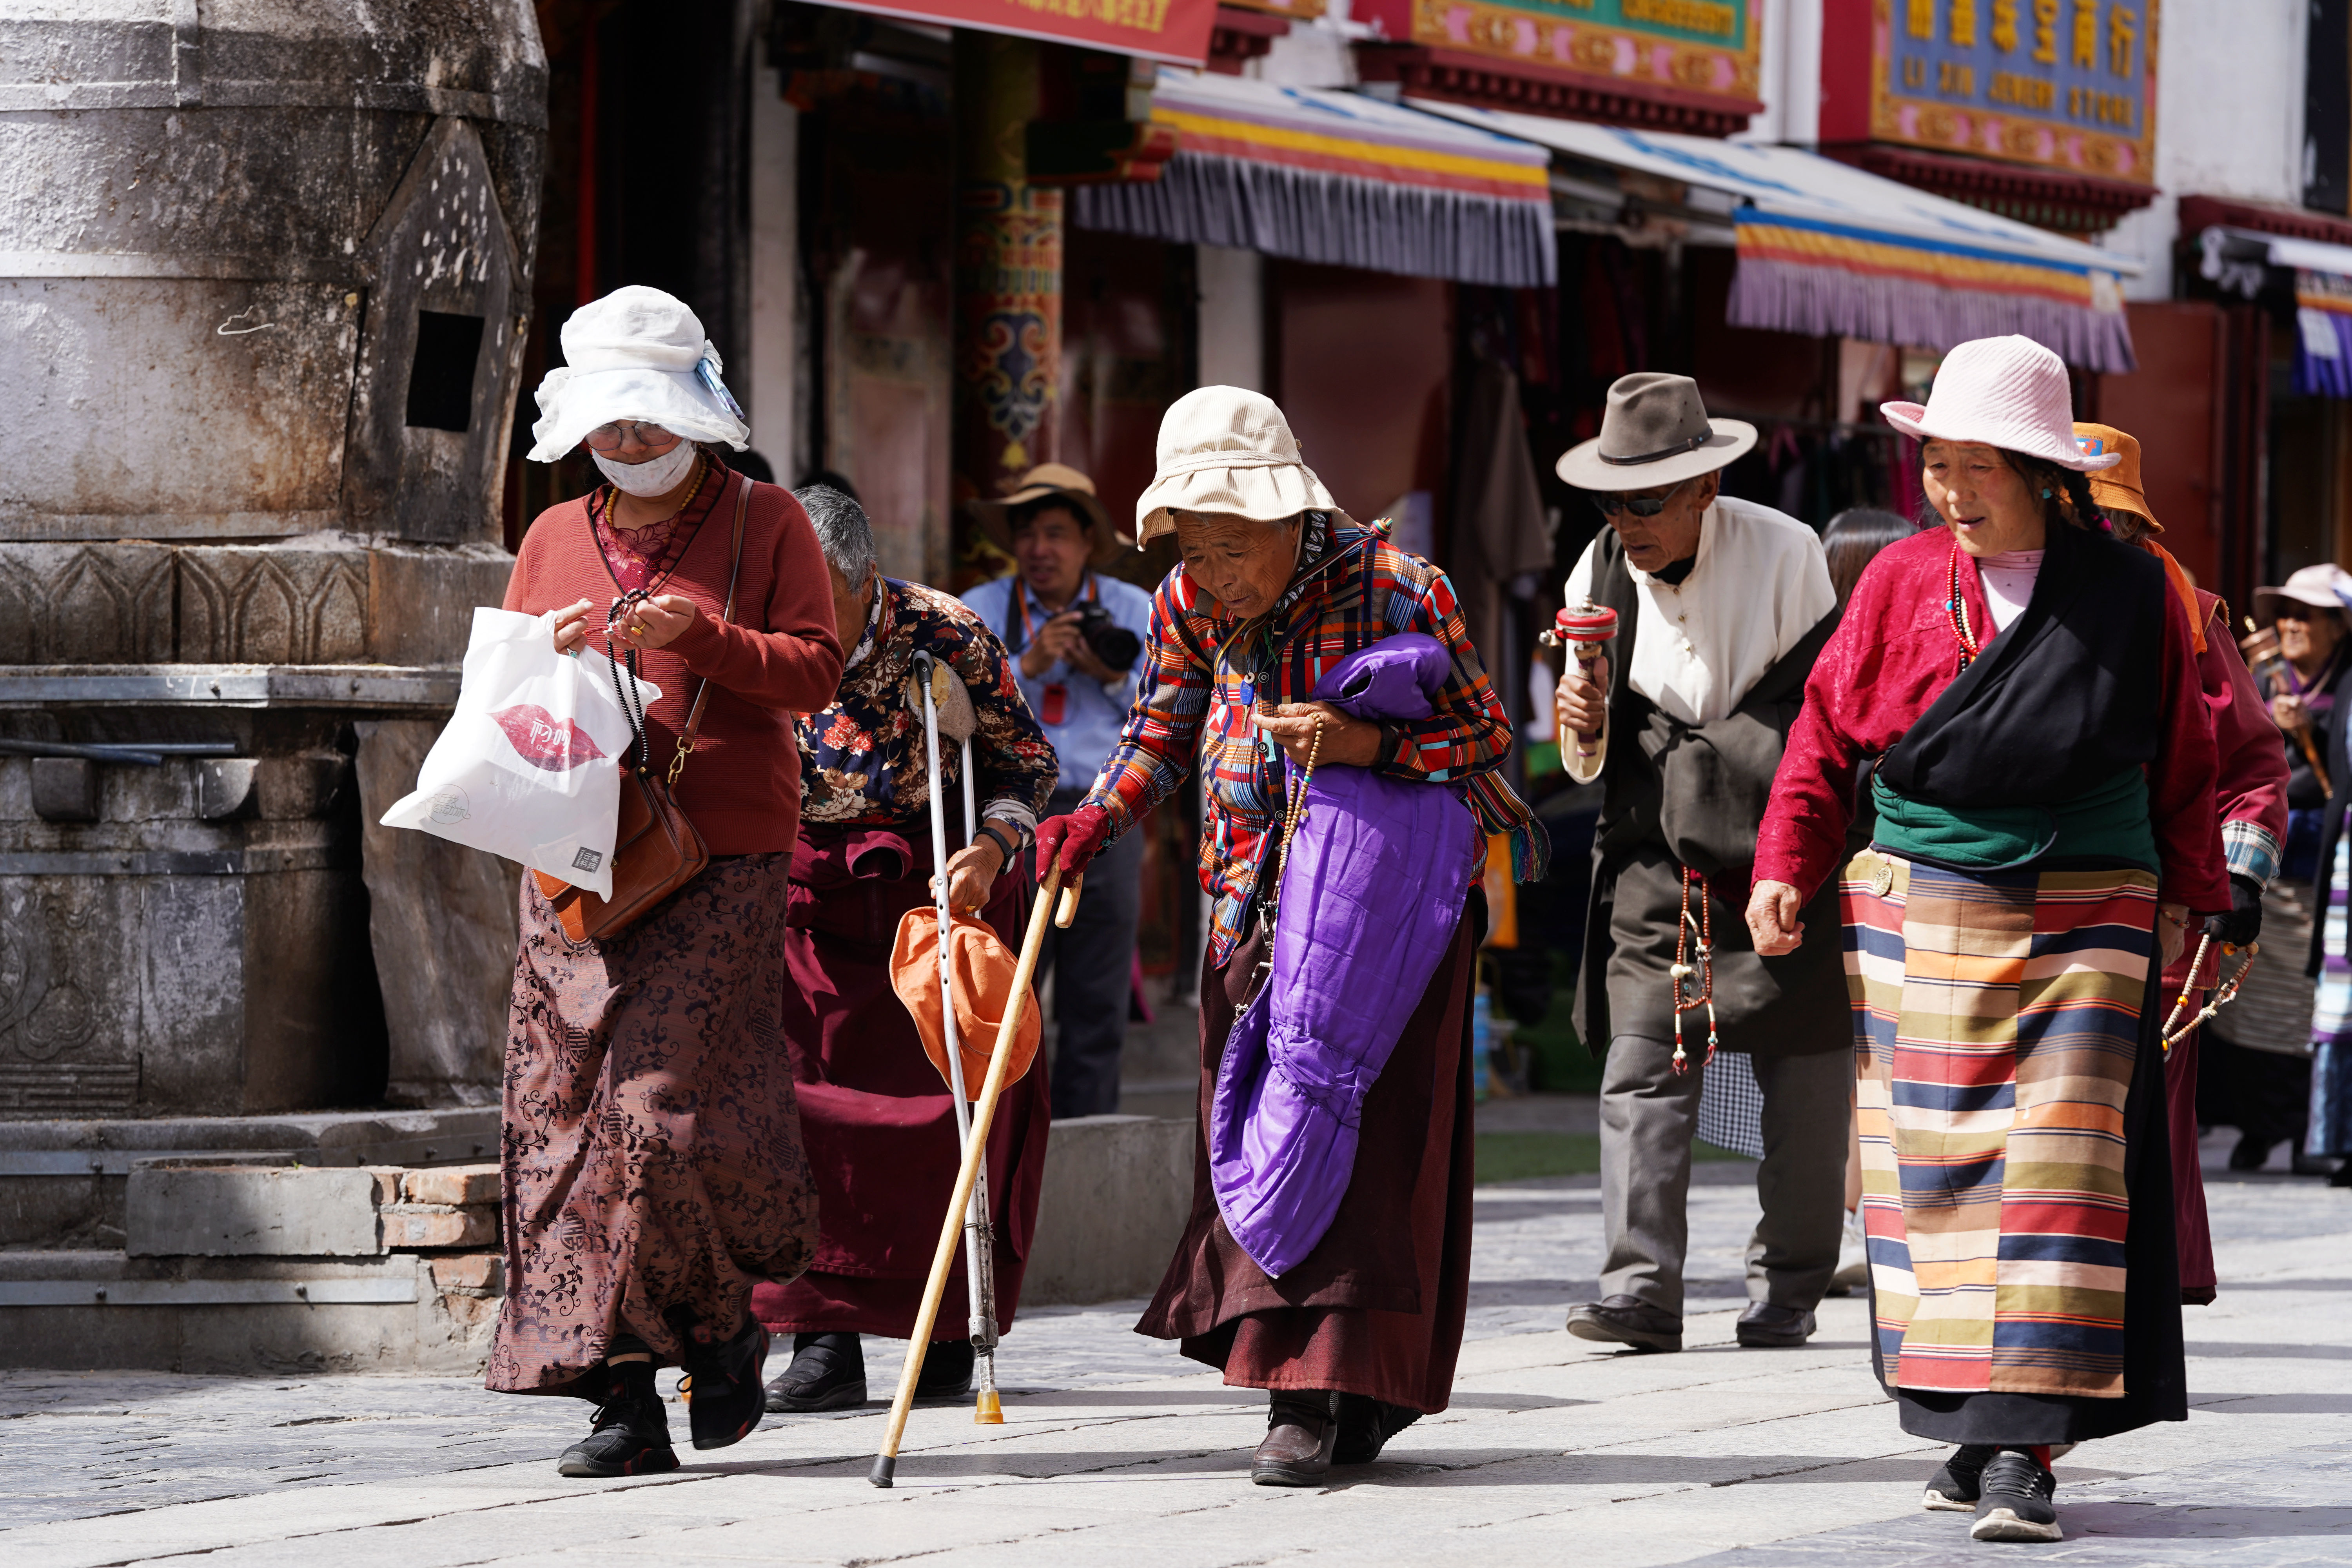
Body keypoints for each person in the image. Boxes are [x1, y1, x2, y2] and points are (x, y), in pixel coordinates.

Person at [1751, 336, 2228, 1544]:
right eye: (1938, 466)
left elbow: (2187, 750)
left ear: (2039, 472)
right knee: (1942, 1175)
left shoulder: (2129, 589)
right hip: (1926, 899)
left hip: (2093, 901)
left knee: (2060, 1177)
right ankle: (1970, 1421)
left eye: (1974, 468)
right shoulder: (1901, 581)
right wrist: (1784, 870)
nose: (1949, 492)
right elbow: (1823, 737)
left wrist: (2194, 893)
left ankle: (2025, 1446)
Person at [1032, 385, 1545, 1486]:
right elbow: (1157, 737)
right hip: (1245, 907)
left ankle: (1335, 1397)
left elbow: (1485, 734)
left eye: (1229, 545)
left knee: (1371, 1150)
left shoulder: (1402, 585)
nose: (1212, 572)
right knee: (1256, 1135)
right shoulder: (1183, 601)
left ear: (1287, 515)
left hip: (1384, 927)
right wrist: (1093, 819)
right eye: (1194, 547)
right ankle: (1300, 1388)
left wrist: (1364, 741)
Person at [489, 286, 845, 1476]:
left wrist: (702, 640)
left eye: (648, 423)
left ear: (697, 413)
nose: (630, 445)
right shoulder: (550, 536)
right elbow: (509, 684)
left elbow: (814, 673)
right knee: (561, 1125)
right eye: (610, 427)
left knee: (652, 1117)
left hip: (720, 855)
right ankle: (624, 1397)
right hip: (571, 855)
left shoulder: (767, 520)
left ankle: (721, 1325)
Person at [1552, 372, 1847, 1357]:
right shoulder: (1593, 574)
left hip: (1777, 844)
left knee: (1802, 1073)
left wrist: (1787, 843)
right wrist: (1580, 730)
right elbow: (1586, 754)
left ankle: (1791, 1283)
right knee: (1639, 1063)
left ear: (1704, 488)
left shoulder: (1789, 552)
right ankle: (1640, 1289)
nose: (1625, 523)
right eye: (1612, 500)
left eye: (1646, 501)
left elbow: (1821, 717)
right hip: (1654, 851)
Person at [753, 485, 1062, 1412]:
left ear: (862, 578)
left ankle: (945, 1335)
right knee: (800, 1117)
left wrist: (992, 846)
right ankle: (822, 1338)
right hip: (805, 893)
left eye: (820, 600)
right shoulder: (759, 629)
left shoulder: (947, 632)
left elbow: (1027, 764)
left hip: (930, 891)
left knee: (944, 1119)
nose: (802, 619)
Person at [2074, 421, 2287, 1291]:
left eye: (2112, 520)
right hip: (2023, 891)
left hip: (2160, 905)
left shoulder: (2188, 614)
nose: (2099, 536)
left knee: (2144, 1107)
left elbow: (2252, 759)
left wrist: (2238, 875)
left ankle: (2137, 1291)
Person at [962, 466, 1156, 1118]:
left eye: (1056, 534)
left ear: (1086, 544)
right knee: (1006, 994)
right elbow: (953, 711)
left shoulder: (1135, 611)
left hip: (1110, 815)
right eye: (1028, 535)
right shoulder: (982, 609)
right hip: (1012, 817)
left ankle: (1087, 1149)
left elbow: (1170, 716)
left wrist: (1104, 672)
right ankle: (1007, 1146)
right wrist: (1030, 665)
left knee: (1097, 1002)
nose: (1041, 549)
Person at [2209, 564, 2352, 1170]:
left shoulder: (2345, 685)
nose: (2291, 625)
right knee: (2249, 1007)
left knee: (2305, 1005)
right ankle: (2260, 1125)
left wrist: (2311, 726)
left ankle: (2303, 1129)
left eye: (2308, 614)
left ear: (2339, 627)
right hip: (2263, 867)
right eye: (2286, 613)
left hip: (2321, 872)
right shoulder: (2262, 678)